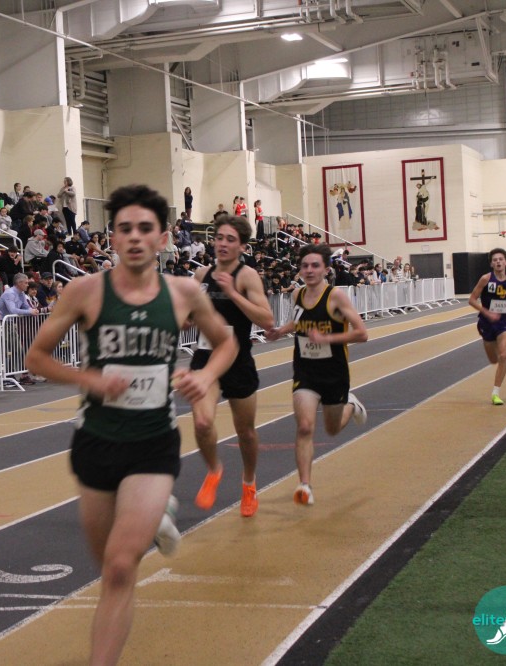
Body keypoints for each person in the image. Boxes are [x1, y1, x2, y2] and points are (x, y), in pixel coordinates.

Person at [24, 184, 236, 666]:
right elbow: (36, 357)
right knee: (107, 569)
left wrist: (205, 376)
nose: (135, 237)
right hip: (96, 441)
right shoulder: (84, 291)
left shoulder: (183, 293)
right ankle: (152, 518)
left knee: (121, 568)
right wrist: (89, 380)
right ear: (113, 238)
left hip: (152, 443)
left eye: (145, 229)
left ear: (163, 238)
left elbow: (225, 343)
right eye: (125, 229)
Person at [265, 243, 368, 506]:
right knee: (304, 426)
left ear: (325, 269)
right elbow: (298, 322)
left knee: (332, 429)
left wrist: (327, 338)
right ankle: (304, 485)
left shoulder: (336, 297)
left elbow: (361, 333)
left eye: (315, 266)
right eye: (305, 266)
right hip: (305, 371)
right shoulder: (297, 294)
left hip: (334, 373)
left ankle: (351, 404)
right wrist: (280, 330)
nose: (309, 270)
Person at [190, 214, 275, 515]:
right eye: (219, 238)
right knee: (202, 423)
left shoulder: (247, 276)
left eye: (230, 240)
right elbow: (188, 315)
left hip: (238, 360)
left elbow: (267, 320)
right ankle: (214, 469)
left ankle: (249, 483)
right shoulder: (201, 275)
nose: (223, 244)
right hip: (205, 358)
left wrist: (233, 294)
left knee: (246, 432)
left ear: (241, 246)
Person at [468, 248, 506, 405]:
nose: (498, 262)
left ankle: (496, 393)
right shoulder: (485, 279)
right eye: (495, 260)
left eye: (501, 259)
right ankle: (487, 341)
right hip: (486, 323)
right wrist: (487, 312)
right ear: (491, 264)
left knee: (503, 356)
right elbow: (472, 300)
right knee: (493, 360)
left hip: (504, 322)